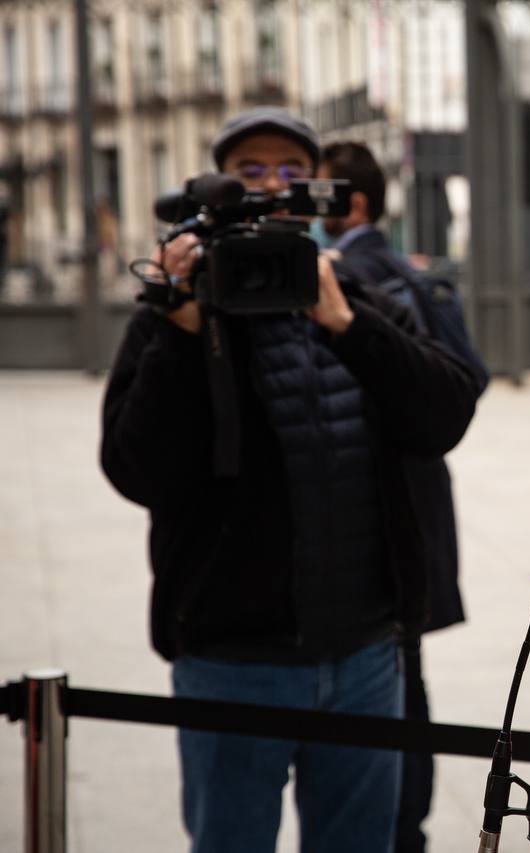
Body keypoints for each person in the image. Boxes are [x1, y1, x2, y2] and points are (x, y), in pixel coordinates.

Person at [100, 108, 482, 852]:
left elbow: (444, 417)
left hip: (366, 656)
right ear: (215, 192)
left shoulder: (360, 299)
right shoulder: (175, 313)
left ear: (318, 194)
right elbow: (134, 469)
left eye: (290, 171)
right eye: (250, 171)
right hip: (230, 662)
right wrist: (180, 331)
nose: (271, 186)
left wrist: (351, 325)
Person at [316, 139, 487, 853]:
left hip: (383, 516)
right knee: (406, 683)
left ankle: (401, 831)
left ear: (350, 203)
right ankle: (407, 827)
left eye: (317, 192)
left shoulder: (345, 279)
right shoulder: (402, 269)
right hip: (419, 506)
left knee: (394, 688)